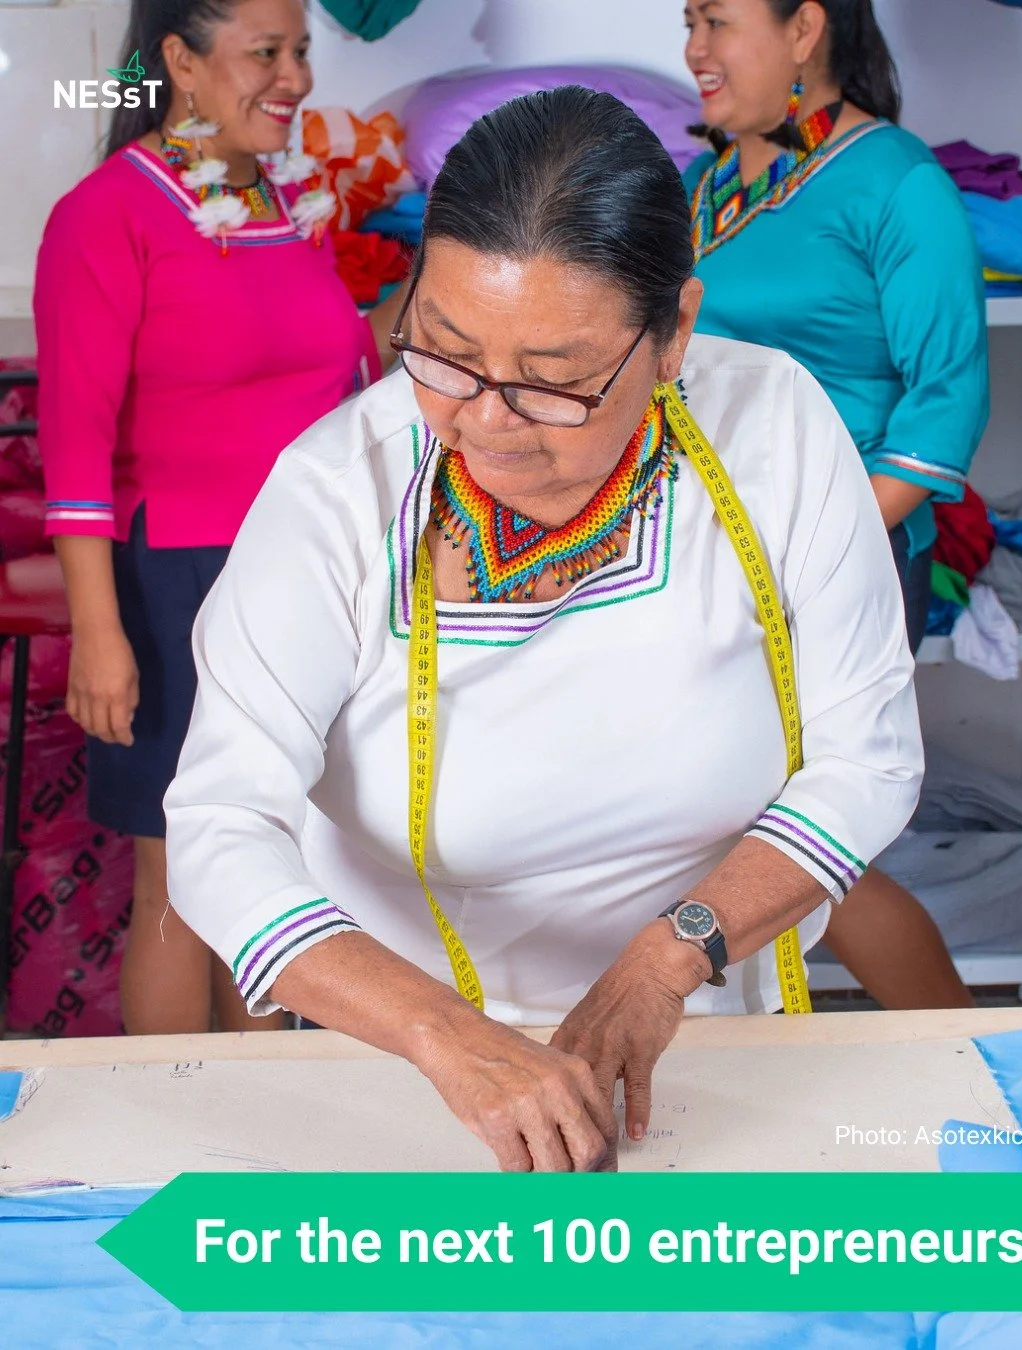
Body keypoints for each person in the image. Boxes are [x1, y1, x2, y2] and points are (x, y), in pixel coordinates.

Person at [165, 86, 923, 1171]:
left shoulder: (777, 429)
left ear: (674, 338)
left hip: (720, 1048)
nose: (484, 418)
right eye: (443, 351)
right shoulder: (338, 494)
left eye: (554, 383)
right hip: (405, 1073)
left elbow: (870, 758)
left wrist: (667, 961)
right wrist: (445, 1035)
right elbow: (218, 824)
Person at [33, 0, 398, 1036]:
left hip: (307, 575)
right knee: (184, 873)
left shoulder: (285, 203)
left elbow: (330, 372)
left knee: (282, 867)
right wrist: (100, 635)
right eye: (265, 54)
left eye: (302, 52)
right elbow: (76, 445)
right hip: (179, 584)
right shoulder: (107, 212)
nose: (294, 77)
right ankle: (172, 1133)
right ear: (182, 65)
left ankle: (267, 1129)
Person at [681, 0, 990, 1009]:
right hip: (715, 558)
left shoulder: (899, 184)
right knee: (725, 835)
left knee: (805, 849)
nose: (694, 51)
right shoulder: (713, 181)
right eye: (688, 21)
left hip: (834, 564)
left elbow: (946, 404)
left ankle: (968, 1070)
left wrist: (824, 550)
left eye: (718, 21)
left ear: (805, 27)